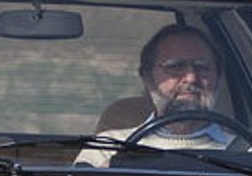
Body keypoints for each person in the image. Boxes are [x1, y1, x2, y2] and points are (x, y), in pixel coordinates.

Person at [75, 24, 236, 166]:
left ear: (218, 76)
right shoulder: (107, 148)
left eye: (203, 67)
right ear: (148, 78)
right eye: (175, 66)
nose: (191, 78)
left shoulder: (242, 152)